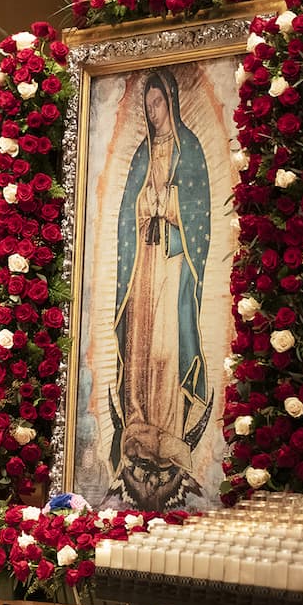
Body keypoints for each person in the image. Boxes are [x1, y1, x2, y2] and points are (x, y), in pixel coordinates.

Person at [109, 69, 212, 509]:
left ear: (171, 102)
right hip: (144, 267)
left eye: (158, 104)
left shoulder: (190, 152)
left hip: (173, 263)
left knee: (167, 346)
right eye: (146, 106)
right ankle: (137, 421)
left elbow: (200, 215)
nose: (152, 113)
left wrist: (169, 207)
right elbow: (125, 215)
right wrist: (142, 207)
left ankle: (168, 427)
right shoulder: (140, 157)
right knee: (140, 344)